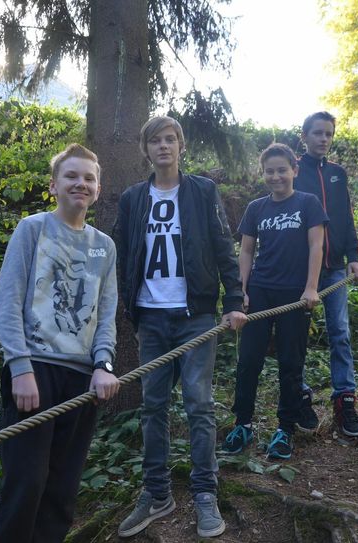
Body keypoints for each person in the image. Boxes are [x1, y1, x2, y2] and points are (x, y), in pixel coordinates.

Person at [115, 116, 246, 539]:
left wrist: (235, 301)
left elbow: (224, 248)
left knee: (199, 404)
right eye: (155, 141)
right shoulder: (134, 199)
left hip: (197, 317)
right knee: (153, 406)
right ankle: (156, 493)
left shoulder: (203, 191)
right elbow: (124, 256)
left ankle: (205, 493)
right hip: (151, 318)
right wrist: (129, 308)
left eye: (170, 139)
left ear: (181, 146)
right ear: (146, 149)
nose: (163, 146)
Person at [0, 143, 121, 543]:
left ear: (98, 189)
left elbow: (105, 313)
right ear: (54, 185)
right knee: (26, 482)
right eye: (71, 176)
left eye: (88, 178)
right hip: (35, 371)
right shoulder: (33, 229)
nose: (80, 183)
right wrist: (20, 367)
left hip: (81, 378)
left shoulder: (104, 246)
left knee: (62, 488)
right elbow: (7, 302)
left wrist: (104, 364)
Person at [222, 143, 326, 460]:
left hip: (295, 294)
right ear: (263, 173)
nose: (276, 176)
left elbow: (316, 247)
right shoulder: (256, 209)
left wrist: (311, 288)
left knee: (290, 364)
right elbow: (246, 252)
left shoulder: (308, 203)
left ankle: (285, 428)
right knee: (248, 362)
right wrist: (242, 292)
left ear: (294, 170)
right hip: (262, 292)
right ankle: (243, 423)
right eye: (270, 171)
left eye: (282, 170)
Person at [294, 111, 358, 438]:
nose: (324, 139)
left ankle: (344, 400)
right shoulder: (293, 170)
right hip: (300, 270)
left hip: (335, 267)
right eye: (318, 133)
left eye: (329, 134)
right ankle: (300, 394)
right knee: (296, 336)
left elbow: (345, 217)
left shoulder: (338, 173)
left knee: (340, 332)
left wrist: (354, 257)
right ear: (305, 136)